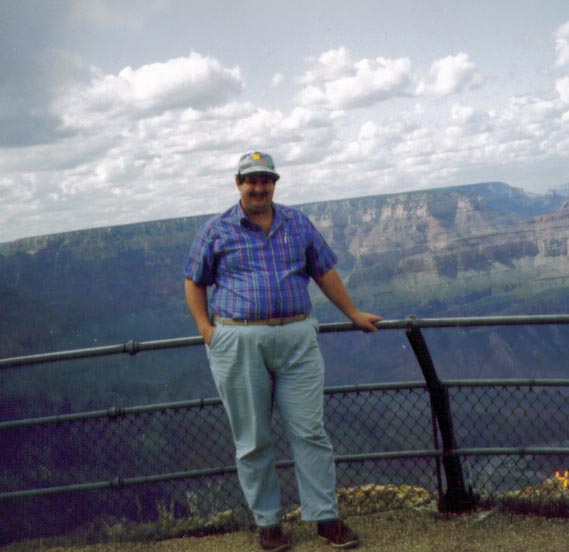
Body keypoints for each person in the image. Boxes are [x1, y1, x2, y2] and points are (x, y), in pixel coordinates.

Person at [184, 151, 382, 551]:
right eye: (251, 180)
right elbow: (194, 280)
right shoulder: (216, 230)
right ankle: (268, 524)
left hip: (296, 338)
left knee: (310, 431)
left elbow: (323, 271)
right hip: (239, 340)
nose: (259, 187)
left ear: (276, 182)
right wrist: (208, 331)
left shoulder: (297, 223)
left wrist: (353, 312)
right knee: (253, 438)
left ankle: (326, 520)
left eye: (266, 180)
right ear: (237, 183)